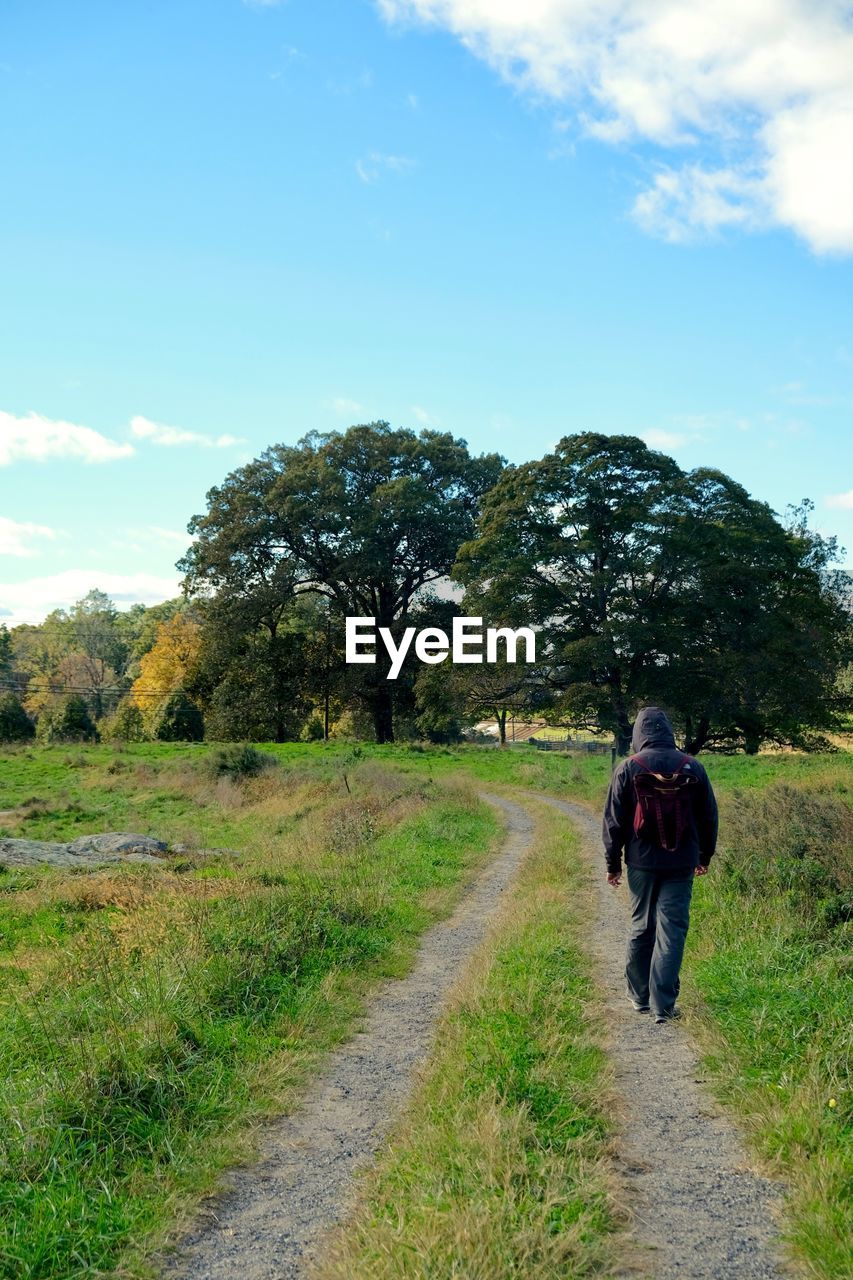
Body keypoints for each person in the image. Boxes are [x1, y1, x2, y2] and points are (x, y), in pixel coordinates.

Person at [602, 707, 718, 1024]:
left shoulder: (628, 767)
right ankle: (663, 1006)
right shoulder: (693, 767)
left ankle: (639, 998)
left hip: (641, 862)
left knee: (642, 925)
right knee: (672, 930)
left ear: (639, 734)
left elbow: (613, 822)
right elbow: (708, 817)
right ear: (670, 732)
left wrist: (613, 864)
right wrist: (704, 857)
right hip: (681, 862)